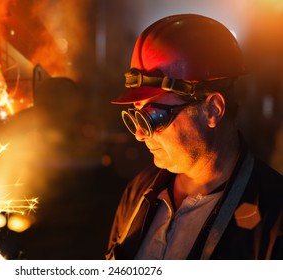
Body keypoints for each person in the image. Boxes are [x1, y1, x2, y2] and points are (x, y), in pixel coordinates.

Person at [106, 14, 283, 260]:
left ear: (212, 110)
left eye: (154, 117)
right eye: (137, 116)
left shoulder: (274, 217)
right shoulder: (139, 192)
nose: (139, 134)